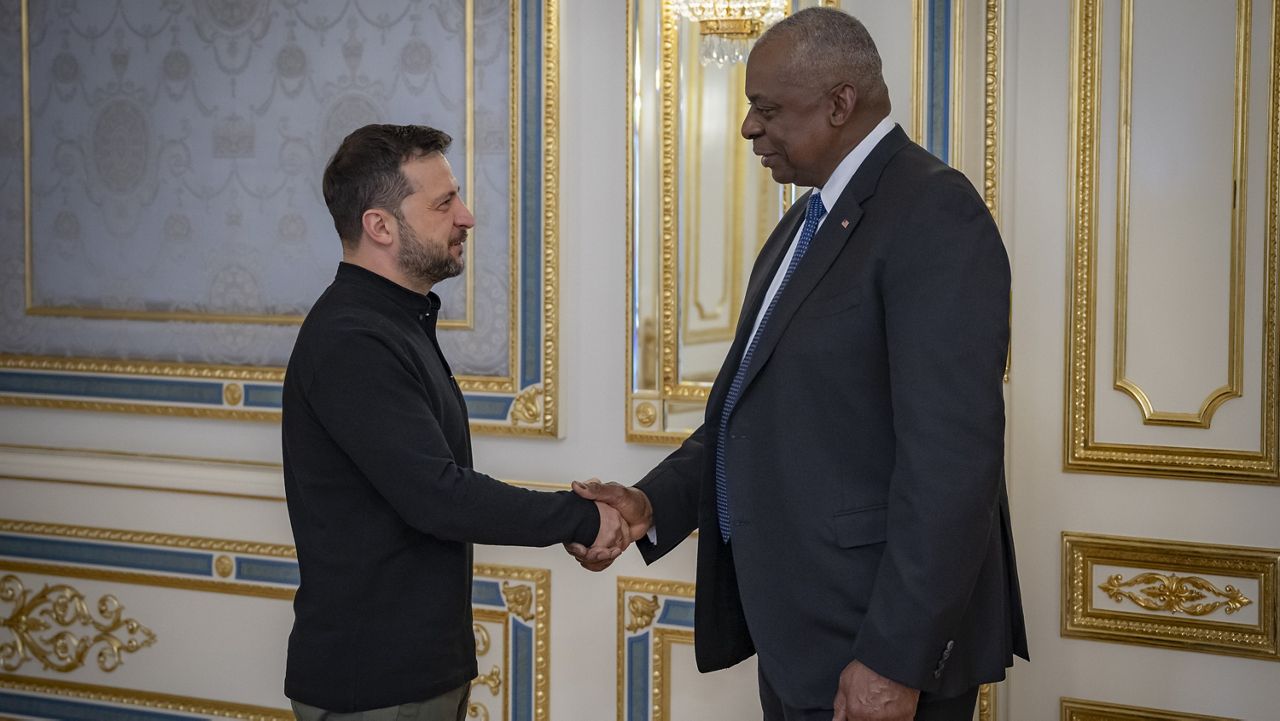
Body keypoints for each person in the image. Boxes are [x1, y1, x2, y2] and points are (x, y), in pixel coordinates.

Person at [568, 8, 1027, 721]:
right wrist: (650, 503)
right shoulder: (800, 226)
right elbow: (749, 411)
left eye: (767, 109)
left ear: (840, 103)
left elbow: (953, 466)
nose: (750, 128)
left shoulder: (934, 211)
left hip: (872, 645)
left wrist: (892, 658)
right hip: (800, 637)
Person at [282, 124, 627, 720]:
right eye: (443, 203)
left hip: (413, 671)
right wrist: (578, 515)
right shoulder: (352, 339)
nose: (466, 217)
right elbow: (437, 496)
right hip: (374, 683)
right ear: (380, 226)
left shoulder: (392, 322)